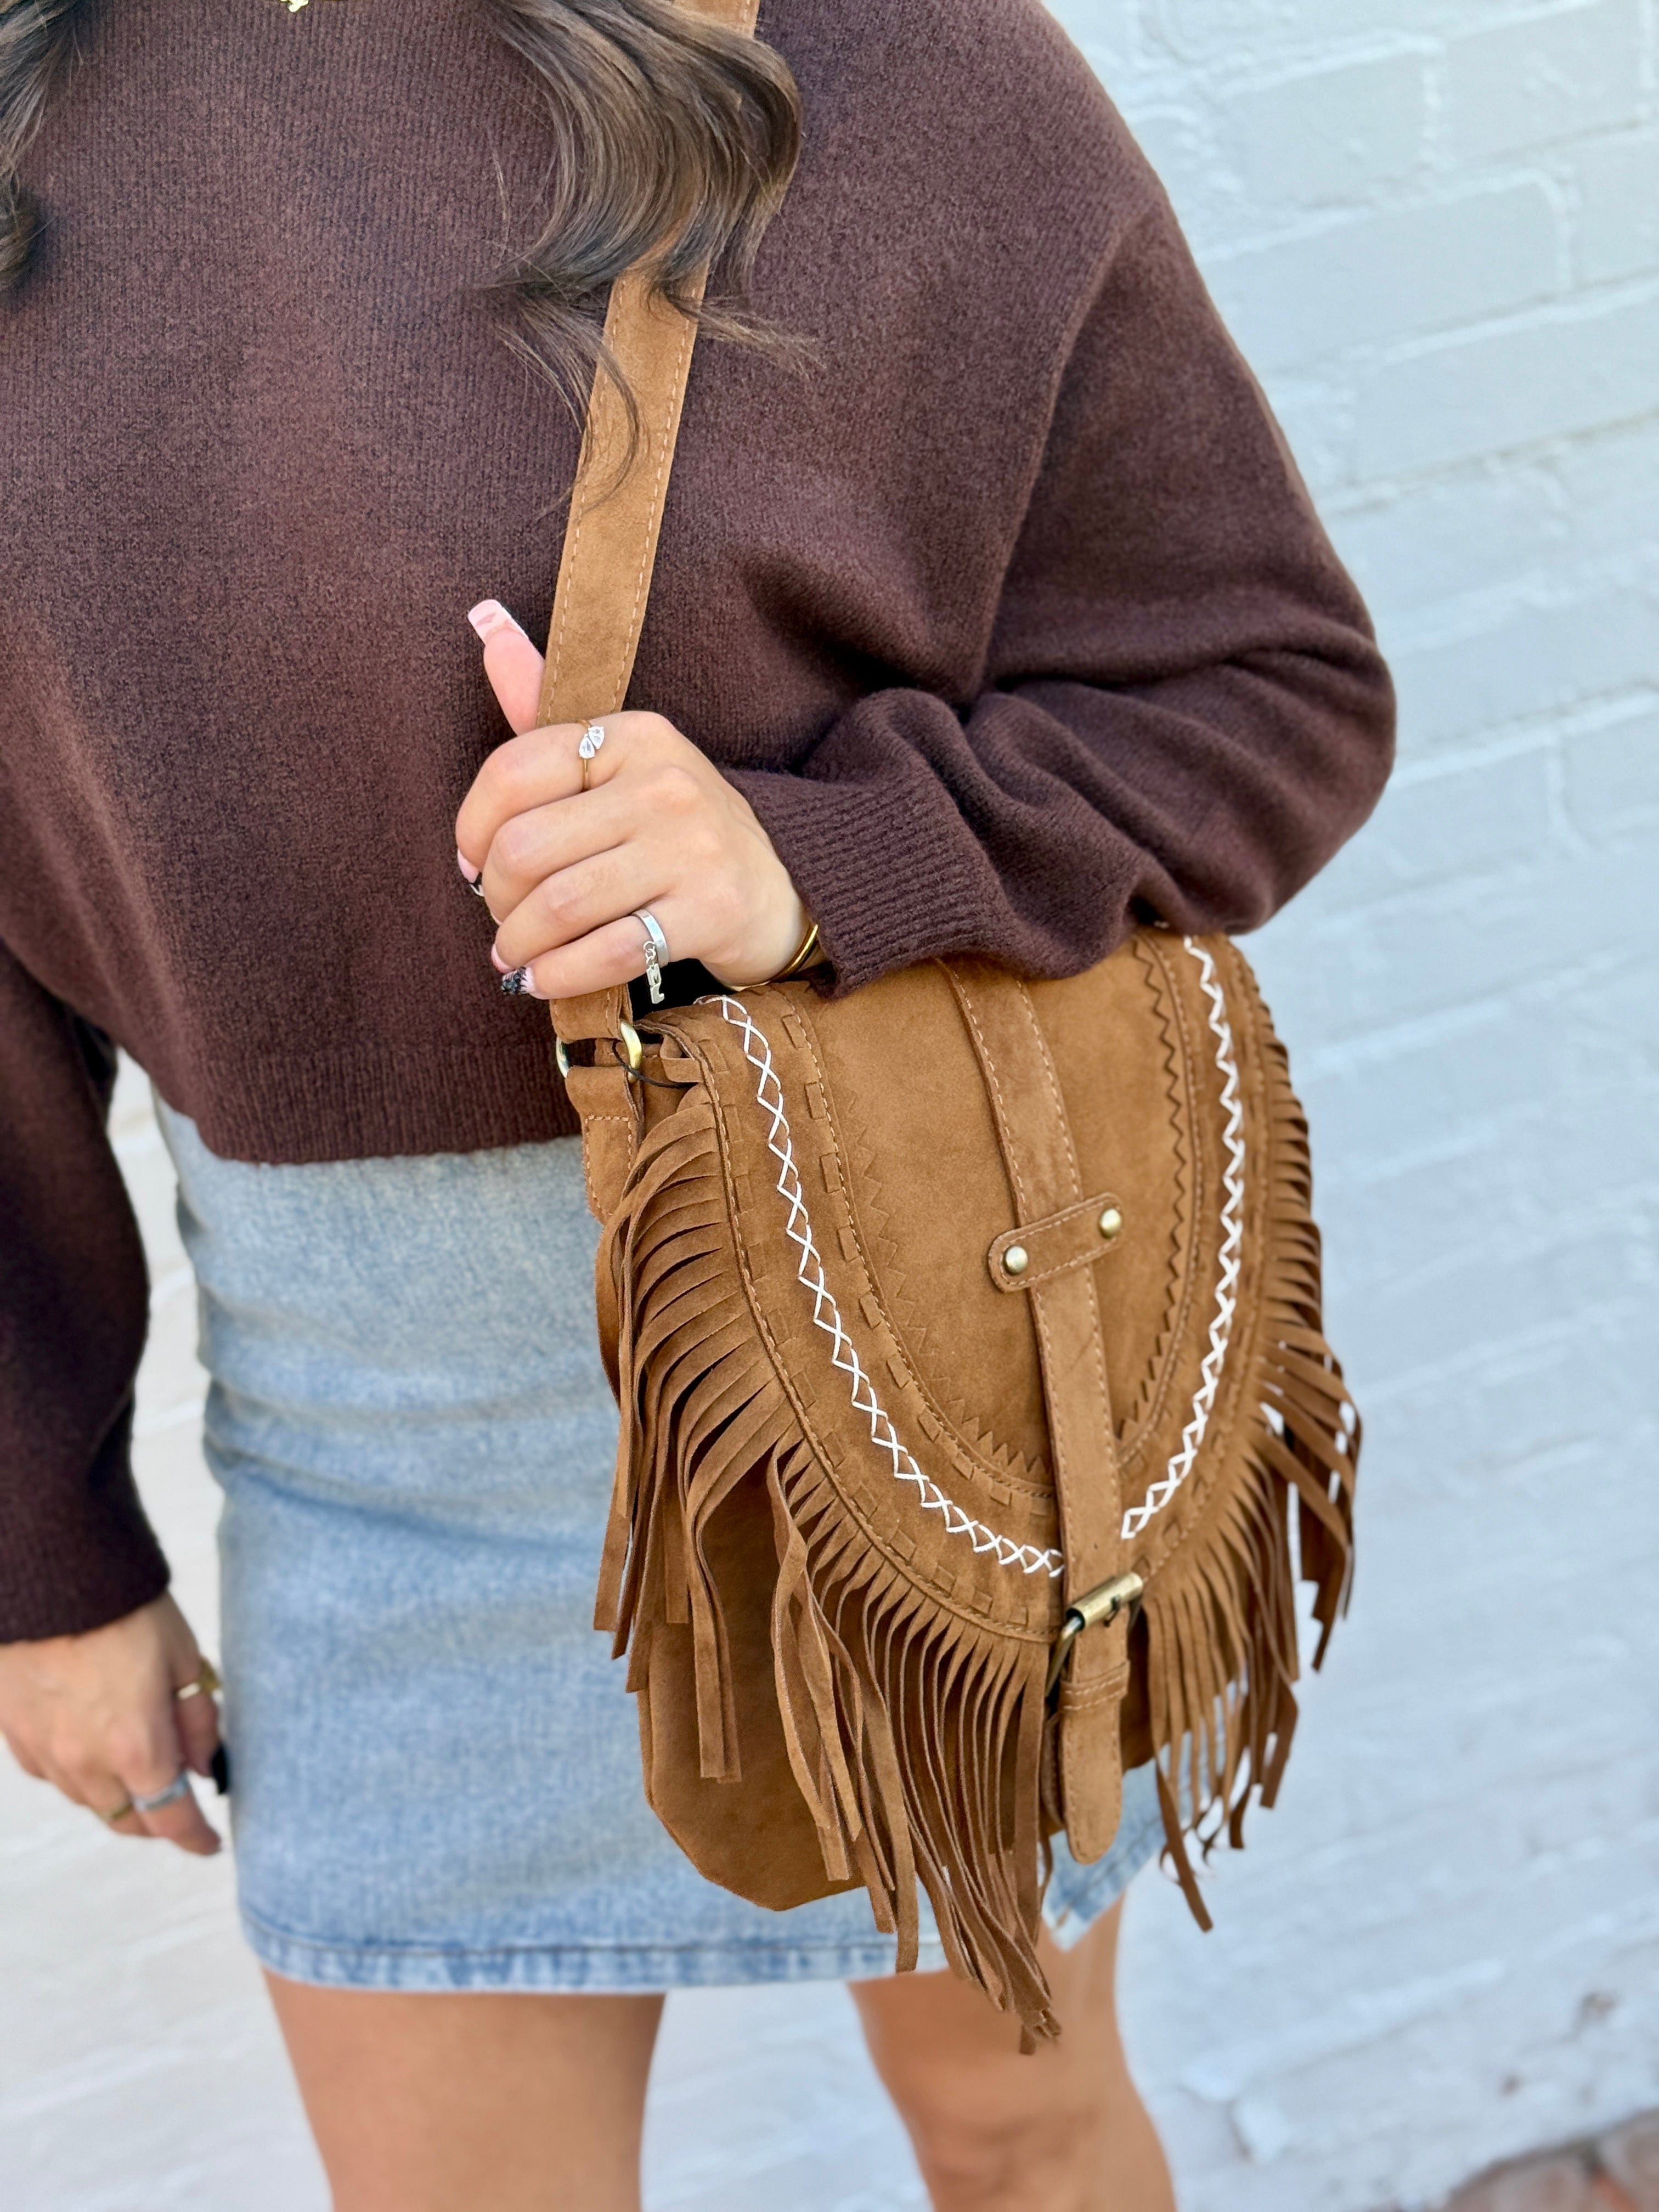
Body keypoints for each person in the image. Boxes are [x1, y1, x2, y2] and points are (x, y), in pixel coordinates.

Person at [0, 0, 1393, 2204]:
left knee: (1020, 2130)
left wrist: (811, 859)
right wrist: (36, 1550)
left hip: (910, 1354)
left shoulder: (885, 56)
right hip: (375, 1445)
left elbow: (1275, 684)